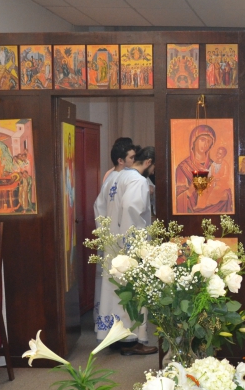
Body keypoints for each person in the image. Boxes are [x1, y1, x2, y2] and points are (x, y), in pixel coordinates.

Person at [92, 146, 158, 356]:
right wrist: (132, 243)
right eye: (154, 168)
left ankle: (114, 337)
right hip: (127, 245)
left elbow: (98, 206)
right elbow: (131, 207)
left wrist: (106, 235)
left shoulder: (115, 177)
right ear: (148, 162)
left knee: (114, 292)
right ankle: (131, 341)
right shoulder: (138, 180)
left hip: (112, 243)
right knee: (130, 292)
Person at [174, 124, 233, 213]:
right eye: (202, 140)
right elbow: (178, 199)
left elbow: (226, 189)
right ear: (194, 141)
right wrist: (191, 189)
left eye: (209, 141)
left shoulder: (214, 165)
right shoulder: (183, 167)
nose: (205, 144)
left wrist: (224, 195)